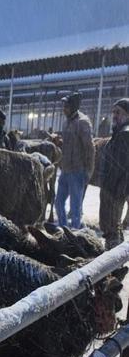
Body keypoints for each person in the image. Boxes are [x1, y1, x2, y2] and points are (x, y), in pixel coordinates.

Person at [55, 92, 95, 229]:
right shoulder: (66, 122)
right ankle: (64, 229)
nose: (63, 109)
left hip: (77, 171)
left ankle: (75, 234)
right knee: (58, 202)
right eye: (64, 106)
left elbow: (89, 148)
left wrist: (88, 170)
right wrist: (59, 142)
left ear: (73, 106)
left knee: (75, 206)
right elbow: (68, 144)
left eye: (66, 106)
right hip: (65, 170)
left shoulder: (83, 122)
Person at [98, 99, 129, 248]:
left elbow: (121, 168)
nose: (114, 115)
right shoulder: (119, 133)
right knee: (113, 228)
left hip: (114, 191)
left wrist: (112, 192)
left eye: (118, 112)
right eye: (113, 112)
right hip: (113, 190)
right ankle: (116, 262)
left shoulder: (124, 135)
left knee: (112, 230)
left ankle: (113, 265)